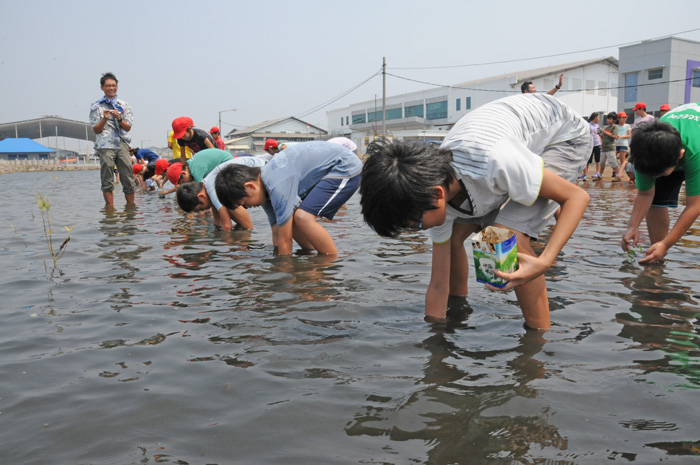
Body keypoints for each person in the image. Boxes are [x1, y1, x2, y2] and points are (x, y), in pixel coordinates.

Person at [359, 93, 591, 329]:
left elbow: (576, 197)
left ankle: (537, 338)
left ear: (438, 194)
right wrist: (437, 336)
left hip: (564, 135)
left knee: (506, 233)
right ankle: (460, 311)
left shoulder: (494, 160)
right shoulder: (432, 188)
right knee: (454, 240)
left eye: (415, 225)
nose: (418, 230)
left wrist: (545, 261)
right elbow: (438, 284)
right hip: (507, 148)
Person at [215, 141, 362, 255]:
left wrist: (283, 274)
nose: (248, 208)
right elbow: (277, 231)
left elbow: (285, 241)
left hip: (344, 167)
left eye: (244, 204)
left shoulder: (276, 184)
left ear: (250, 187)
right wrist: (276, 254)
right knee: (292, 221)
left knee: (303, 217)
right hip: (329, 170)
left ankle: (329, 262)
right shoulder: (266, 192)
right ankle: (309, 255)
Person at [621, 103, 700, 264]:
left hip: (694, 144)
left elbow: (695, 205)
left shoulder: (695, 152)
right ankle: (656, 257)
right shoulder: (644, 150)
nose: (655, 178)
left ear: (680, 155)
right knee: (655, 202)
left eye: (660, 173)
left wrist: (667, 243)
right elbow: (645, 193)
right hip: (672, 146)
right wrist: (632, 226)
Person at [176, 156, 267, 231]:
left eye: (199, 208)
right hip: (258, 169)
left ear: (201, 196)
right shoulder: (208, 185)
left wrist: (224, 246)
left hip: (261, 170)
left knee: (231, 203)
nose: (202, 210)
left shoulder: (213, 188)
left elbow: (227, 226)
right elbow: (217, 221)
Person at [89, 72, 136, 207]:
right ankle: (110, 210)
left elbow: (128, 128)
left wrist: (119, 118)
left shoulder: (124, 105)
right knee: (107, 177)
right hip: (105, 144)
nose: (111, 88)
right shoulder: (96, 107)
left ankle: (130, 207)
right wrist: (104, 118)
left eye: (114, 85)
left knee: (127, 176)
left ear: (117, 87)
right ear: (102, 87)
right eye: (108, 86)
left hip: (121, 143)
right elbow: (96, 130)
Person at [581, 112, 602, 181]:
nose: (599, 119)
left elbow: (599, 134)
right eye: (598, 117)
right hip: (590, 144)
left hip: (597, 144)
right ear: (595, 117)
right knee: (588, 160)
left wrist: (600, 142)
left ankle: (597, 172)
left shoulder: (597, 125)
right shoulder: (588, 125)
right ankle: (585, 174)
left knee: (597, 159)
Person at [599, 112, 620, 181]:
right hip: (604, 148)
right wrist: (599, 134)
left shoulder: (614, 127)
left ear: (614, 120)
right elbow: (604, 137)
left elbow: (614, 136)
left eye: (610, 119)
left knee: (613, 162)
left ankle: (618, 175)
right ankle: (600, 175)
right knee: (602, 162)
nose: (608, 120)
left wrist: (604, 132)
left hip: (610, 147)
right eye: (608, 119)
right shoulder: (606, 127)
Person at [615, 111, 632, 180]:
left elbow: (629, 136)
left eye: (625, 118)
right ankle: (616, 172)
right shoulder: (615, 126)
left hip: (623, 144)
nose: (625, 119)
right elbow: (613, 134)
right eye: (623, 118)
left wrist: (621, 136)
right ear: (619, 118)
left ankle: (622, 173)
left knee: (622, 159)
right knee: (613, 158)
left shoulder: (627, 126)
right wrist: (615, 136)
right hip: (616, 144)